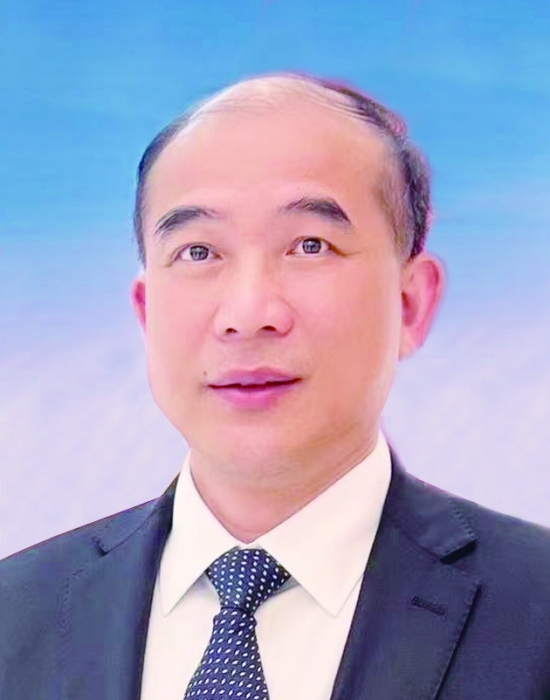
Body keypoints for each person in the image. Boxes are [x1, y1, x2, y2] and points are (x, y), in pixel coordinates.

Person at [1, 72, 550, 700]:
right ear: (147, 312)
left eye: (310, 245)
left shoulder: (534, 614)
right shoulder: (16, 614)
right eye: (198, 252)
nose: (248, 313)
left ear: (410, 304)